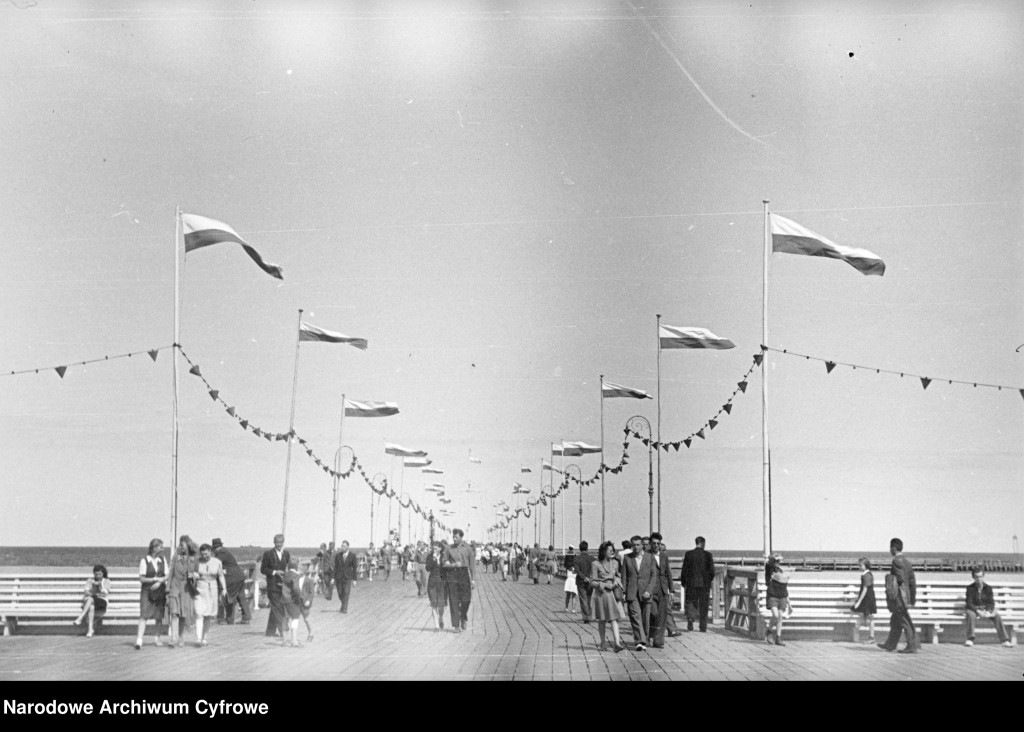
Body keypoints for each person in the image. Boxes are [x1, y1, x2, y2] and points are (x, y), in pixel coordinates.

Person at [878, 537, 918, 653]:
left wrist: (891, 581)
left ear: (894, 548)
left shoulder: (896, 561)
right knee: (895, 620)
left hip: (899, 598)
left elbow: (900, 579)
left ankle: (911, 646)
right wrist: (912, 599)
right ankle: (890, 644)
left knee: (904, 621)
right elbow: (912, 582)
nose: (889, 550)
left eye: (890, 548)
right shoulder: (907, 562)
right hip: (905, 597)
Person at [621, 534, 656, 651]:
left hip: (646, 592)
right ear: (631, 546)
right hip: (632, 592)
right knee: (635, 617)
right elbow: (624, 577)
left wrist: (649, 591)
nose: (636, 547)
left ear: (642, 546)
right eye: (633, 545)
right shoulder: (627, 558)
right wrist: (624, 592)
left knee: (645, 618)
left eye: (638, 545)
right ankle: (639, 641)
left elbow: (653, 576)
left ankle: (644, 639)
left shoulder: (650, 557)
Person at [591, 540, 626, 652]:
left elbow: (618, 576)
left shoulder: (615, 563)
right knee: (602, 619)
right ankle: (603, 642)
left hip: (612, 594)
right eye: (610, 550)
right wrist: (605, 585)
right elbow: (592, 582)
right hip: (601, 594)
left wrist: (616, 582)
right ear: (604, 551)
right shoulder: (595, 564)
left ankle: (616, 642)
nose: (612, 552)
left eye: (613, 550)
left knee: (614, 617)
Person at [964, 567, 1011, 647]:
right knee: (971, 615)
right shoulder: (970, 588)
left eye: (980, 576)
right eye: (977, 577)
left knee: (997, 616)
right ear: (973, 577)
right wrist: (978, 611)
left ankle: (1004, 640)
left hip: (985, 609)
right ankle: (970, 639)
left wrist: (988, 611)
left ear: (983, 576)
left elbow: (991, 603)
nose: (979, 579)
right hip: (973, 609)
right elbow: (969, 603)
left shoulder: (988, 588)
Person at [135, 538, 167, 649]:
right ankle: (139, 640)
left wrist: (160, 582)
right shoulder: (145, 560)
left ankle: (157, 638)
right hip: (147, 591)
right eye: (160, 547)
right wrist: (154, 579)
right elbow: (142, 579)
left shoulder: (162, 560)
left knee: (159, 616)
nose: (162, 549)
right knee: (144, 615)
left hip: (159, 591)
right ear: (154, 547)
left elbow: (166, 575)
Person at [167, 535, 198, 647]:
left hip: (186, 589)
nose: (180, 547)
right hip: (175, 587)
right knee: (174, 613)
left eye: (182, 544)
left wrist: (193, 575)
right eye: (179, 545)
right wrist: (167, 589)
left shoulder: (194, 558)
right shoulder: (176, 557)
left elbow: (198, 572)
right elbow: (171, 573)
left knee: (183, 615)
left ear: (188, 545)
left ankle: (180, 637)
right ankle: (173, 638)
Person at [193, 543, 226, 647]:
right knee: (199, 613)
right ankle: (198, 638)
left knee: (208, 615)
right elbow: (192, 572)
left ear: (211, 552)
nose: (204, 556)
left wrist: (224, 588)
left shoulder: (217, 562)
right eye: (202, 554)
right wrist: (195, 575)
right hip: (200, 588)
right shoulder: (197, 562)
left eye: (206, 554)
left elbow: (220, 576)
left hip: (212, 588)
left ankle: (204, 638)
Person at [443, 528, 475, 632]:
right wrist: (452, 565)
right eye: (453, 536)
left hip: (464, 574)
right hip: (452, 575)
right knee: (454, 600)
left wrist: (473, 579)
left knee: (467, 599)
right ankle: (456, 626)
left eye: (456, 537)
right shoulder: (449, 548)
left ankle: (463, 616)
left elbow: (472, 565)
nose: (454, 538)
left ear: (461, 537)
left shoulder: (468, 549)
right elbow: (444, 563)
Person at [681, 536, 715, 632]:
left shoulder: (688, 554)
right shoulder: (708, 555)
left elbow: (684, 570)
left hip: (691, 583)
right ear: (703, 543)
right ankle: (703, 626)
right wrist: (708, 580)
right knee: (704, 605)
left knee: (691, 602)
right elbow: (712, 571)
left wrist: (684, 582)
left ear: (696, 543)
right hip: (704, 584)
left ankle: (691, 618)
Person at [213, 538, 251, 626]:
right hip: (239, 576)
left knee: (228, 597)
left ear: (216, 547)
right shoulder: (225, 551)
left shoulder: (221, 552)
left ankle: (227, 619)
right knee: (241, 597)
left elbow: (216, 563)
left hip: (232, 578)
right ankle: (246, 618)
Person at [260, 534, 290, 638]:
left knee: (275, 608)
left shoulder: (286, 553)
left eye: (281, 542)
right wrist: (274, 572)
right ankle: (283, 630)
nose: (279, 544)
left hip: (282, 585)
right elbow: (263, 569)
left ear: (283, 542)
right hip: (272, 585)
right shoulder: (268, 554)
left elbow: (288, 567)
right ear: (274, 542)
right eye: (277, 542)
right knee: (278, 607)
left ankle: (270, 632)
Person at [281, 559, 314, 646]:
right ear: (296, 566)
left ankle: (284, 641)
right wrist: (300, 595)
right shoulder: (295, 575)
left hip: (284, 599)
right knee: (295, 619)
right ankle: (294, 641)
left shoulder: (286, 574)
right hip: (292, 600)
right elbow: (295, 588)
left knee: (285, 619)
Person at [648, 532, 673, 648]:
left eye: (658, 543)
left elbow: (668, 572)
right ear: (650, 544)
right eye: (653, 543)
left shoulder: (664, 556)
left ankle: (658, 641)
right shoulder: (646, 556)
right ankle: (650, 635)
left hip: (663, 589)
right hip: (651, 589)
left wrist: (671, 590)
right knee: (653, 614)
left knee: (662, 616)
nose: (656, 545)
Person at [73, 564, 110, 638]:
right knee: (91, 606)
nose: (98, 576)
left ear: (103, 573)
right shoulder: (90, 580)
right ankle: (90, 630)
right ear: (94, 574)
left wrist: (99, 586)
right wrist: (92, 588)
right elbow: (86, 592)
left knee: (90, 599)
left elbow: (105, 593)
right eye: (96, 574)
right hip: (91, 602)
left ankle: (80, 617)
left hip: (101, 601)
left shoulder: (106, 581)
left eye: (100, 574)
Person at [764, 552, 790, 646]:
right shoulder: (769, 568)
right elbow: (768, 566)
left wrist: (789, 604)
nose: (778, 563)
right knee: (775, 615)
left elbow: (785, 588)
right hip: (772, 595)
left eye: (779, 561)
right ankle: (769, 631)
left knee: (780, 616)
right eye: (777, 561)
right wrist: (772, 559)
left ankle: (778, 637)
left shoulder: (780, 571)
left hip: (781, 595)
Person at [850, 557, 877, 644]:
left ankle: (870, 637)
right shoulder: (866, 574)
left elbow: (865, 589)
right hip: (867, 598)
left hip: (867, 599)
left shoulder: (866, 575)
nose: (859, 567)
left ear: (865, 565)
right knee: (866, 616)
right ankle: (860, 635)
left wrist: (858, 602)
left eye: (860, 565)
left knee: (869, 617)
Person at [426, 541, 448, 631]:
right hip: (432, 583)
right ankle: (436, 626)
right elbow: (427, 568)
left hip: (442, 582)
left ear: (440, 548)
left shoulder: (444, 556)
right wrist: (434, 560)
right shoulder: (430, 557)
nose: (434, 550)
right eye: (433, 548)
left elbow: (447, 568)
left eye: (436, 548)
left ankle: (441, 618)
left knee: (441, 606)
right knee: (434, 604)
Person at [333, 540, 359, 613]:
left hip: (348, 577)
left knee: (346, 592)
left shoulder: (352, 556)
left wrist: (354, 580)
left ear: (348, 547)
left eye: (344, 546)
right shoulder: (338, 555)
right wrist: (332, 577)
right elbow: (335, 567)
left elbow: (354, 568)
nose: (342, 548)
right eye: (342, 546)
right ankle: (343, 605)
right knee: (340, 593)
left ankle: (344, 609)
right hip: (339, 577)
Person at [573, 541, 594, 624]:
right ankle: (590, 615)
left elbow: (577, 570)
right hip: (590, 581)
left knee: (583, 599)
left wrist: (584, 577)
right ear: (587, 548)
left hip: (581, 581)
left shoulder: (576, 558)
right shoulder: (592, 558)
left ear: (579, 548)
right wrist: (589, 578)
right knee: (589, 598)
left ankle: (586, 617)